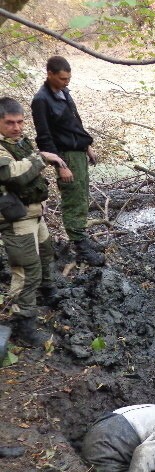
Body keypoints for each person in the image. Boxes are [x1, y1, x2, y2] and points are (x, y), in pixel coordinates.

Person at [0, 97, 66, 346]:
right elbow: (11, 175)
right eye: (9, 123)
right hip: (16, 218)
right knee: (26, 270)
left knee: (47, 252)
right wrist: (40, 158)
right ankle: (23, 323)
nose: (16, 127)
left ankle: (47, 292)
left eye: (19, 122)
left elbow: (29, 177)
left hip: (33, 212)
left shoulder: (18, 142)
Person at [31, 56, 105, 266]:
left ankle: (82, 237)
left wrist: (86, 145)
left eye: (69, 78)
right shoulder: (41, 100)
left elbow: (74, 122)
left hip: (77, 151)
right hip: (64, 155)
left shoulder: (63, 92)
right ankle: (80, 247)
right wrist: (60, 165)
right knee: (72, 198)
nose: (67, 82)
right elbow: (44, 137)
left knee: (82, 195)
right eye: (63, 79)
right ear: (50, 74)